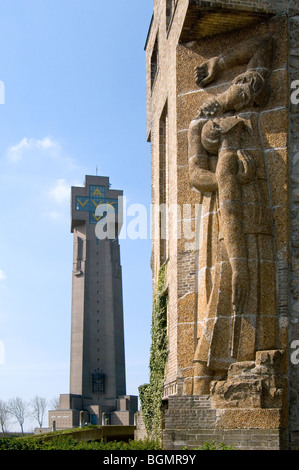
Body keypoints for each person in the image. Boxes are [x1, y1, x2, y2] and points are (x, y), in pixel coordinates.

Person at [188, 35, 278, 395]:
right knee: (225, 282)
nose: (242, 100)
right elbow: (194, 174)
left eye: (247, 97)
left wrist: (221, 63)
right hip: (220, 210)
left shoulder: (250, 119)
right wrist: (228, 182)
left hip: (254, 208)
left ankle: (249, 363)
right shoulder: (204, 125)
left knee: (258, 280)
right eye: (240, 94)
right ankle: (204, 368)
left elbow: (264, 45)